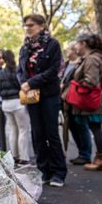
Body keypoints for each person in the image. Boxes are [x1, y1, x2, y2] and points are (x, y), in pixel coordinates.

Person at [18, 14, 67, 187]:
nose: (27, 28)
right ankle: (44, 171)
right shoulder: (24, 48)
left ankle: (59, 173)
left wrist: (31, 82)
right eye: (25, 25)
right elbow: (20, 70)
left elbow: (54, 70)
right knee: (37, 134)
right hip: (31, 97)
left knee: (51, 133)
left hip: (49, 94)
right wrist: (24, 83)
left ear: (41, 26)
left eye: (31, 25)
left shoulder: (52, 44)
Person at [71, 33, 102, 171]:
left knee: (96, 128)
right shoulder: (90, 59)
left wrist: (75, 84)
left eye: (77, 43)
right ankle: (100, 159)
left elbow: (91, 81)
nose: (75, 46)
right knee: (95, 128)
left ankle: (101, 160)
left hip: (93, 101)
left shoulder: (92, 59)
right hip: (94, 100)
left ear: (84, 44)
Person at [0, 50, 33, 165]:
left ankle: (14, 156)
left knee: (12, 130)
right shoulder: (18, 70)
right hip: (18, 102)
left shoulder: (0, 73)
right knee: (23, 130)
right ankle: (24, 157)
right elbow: (22, 86)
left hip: (5, 104)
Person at [61, 42, 92, 165]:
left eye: (68, 50)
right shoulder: (66, 65)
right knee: (72, 127)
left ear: (74, 50)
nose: (66, 53)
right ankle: (81, 153)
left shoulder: (81, 63)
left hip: (78, 98)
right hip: (67, 99)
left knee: (82, 126)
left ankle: (86, 155)